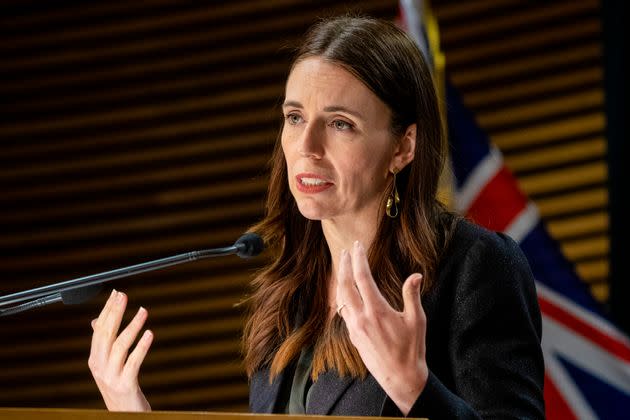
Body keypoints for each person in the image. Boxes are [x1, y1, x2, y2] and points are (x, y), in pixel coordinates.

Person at [88, 16, 545, 419]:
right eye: (294, 117)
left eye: (340, 123)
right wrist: (137, 417)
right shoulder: (285, 298)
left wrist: (416, 391)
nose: (307, 146)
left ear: (403, 147)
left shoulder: (474, 266)